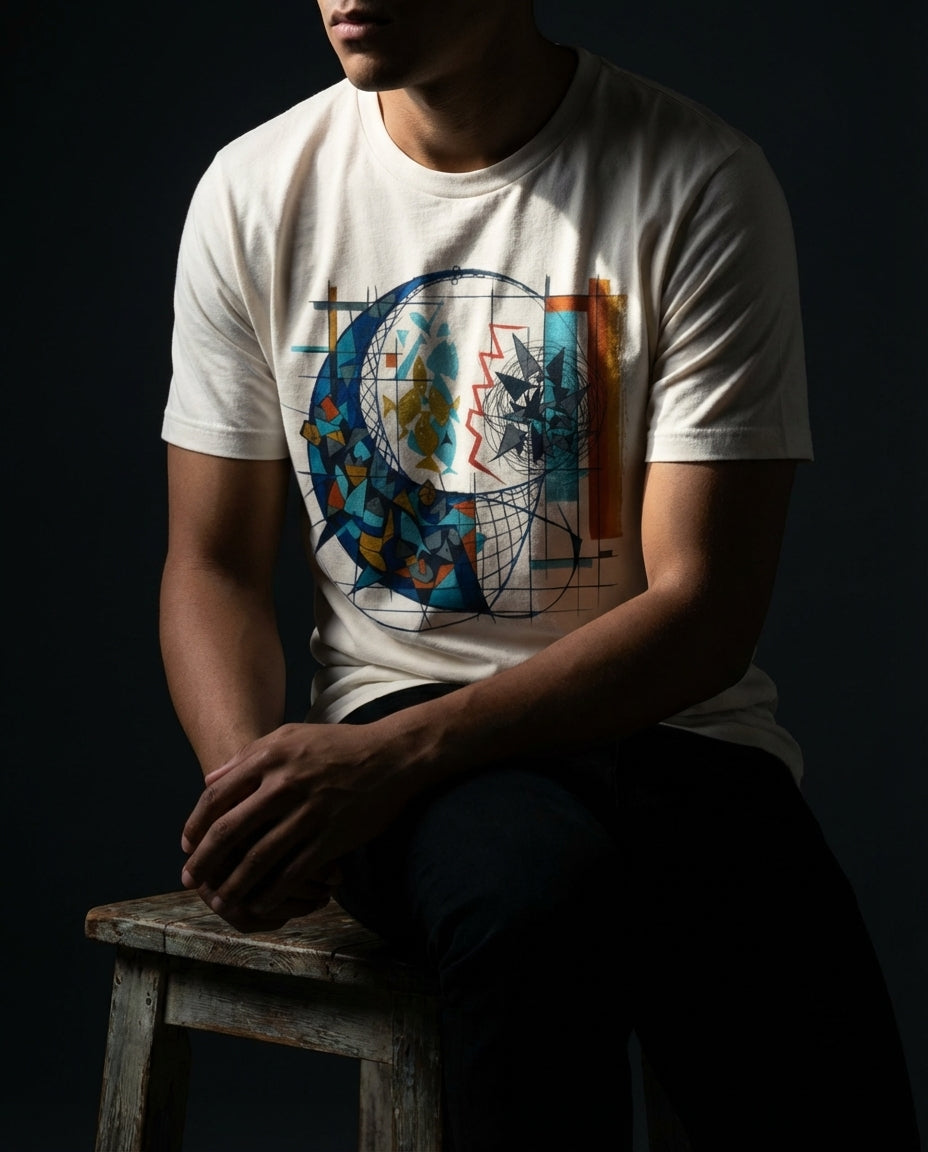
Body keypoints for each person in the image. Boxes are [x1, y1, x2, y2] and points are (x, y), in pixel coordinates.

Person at [160, 3, 920, 1148]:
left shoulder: (696, 181)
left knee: (775, 962)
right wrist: (255, 798)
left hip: (665, 722)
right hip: (395, 738)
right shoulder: (257, 187)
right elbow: (209, 563)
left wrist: (392, 756)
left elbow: (703, 610)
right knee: (530, 893)